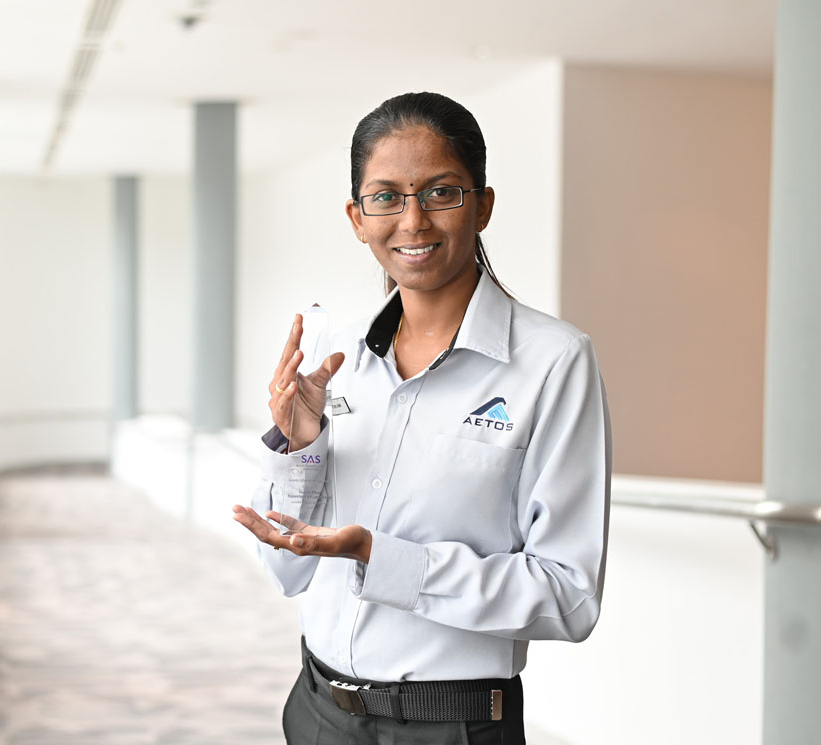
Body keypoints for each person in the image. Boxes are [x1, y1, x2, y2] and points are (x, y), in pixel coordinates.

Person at [232, 91, 612, 745]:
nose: (413, 220)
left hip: (449, 726)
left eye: (441, 192)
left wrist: (382, 558)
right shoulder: (336, 359)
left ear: (482, 205)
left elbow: (568, 596)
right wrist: (301, 449)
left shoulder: (553, 363)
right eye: (385, 196)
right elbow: (288, 570)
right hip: (317, 710)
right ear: (357, 216)